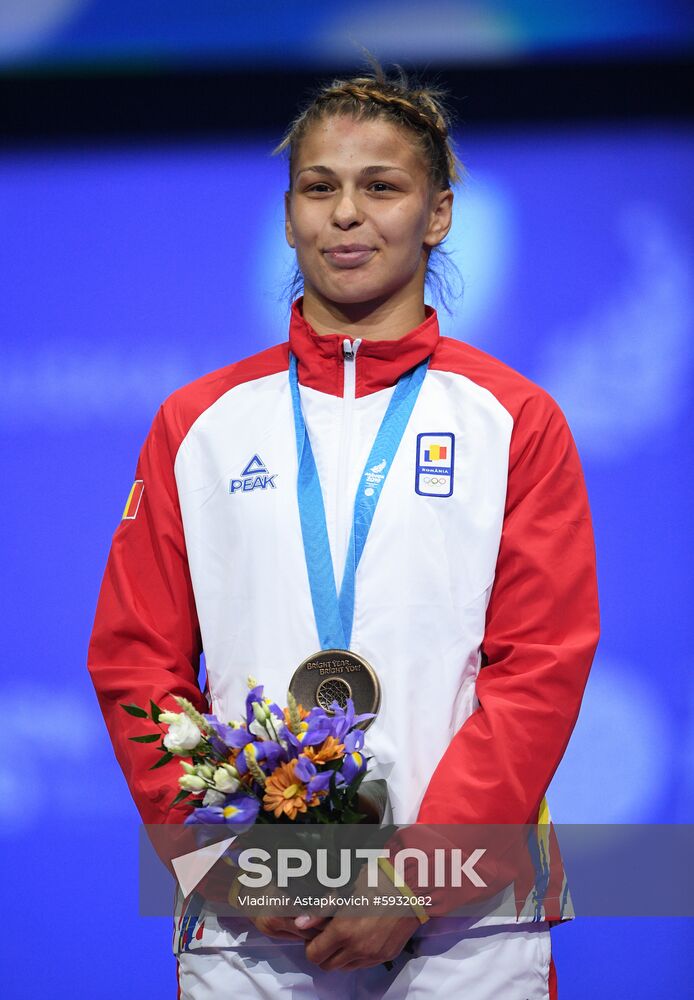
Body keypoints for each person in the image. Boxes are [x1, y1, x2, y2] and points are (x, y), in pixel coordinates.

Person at [88, 64, 599, 999]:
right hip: (253, 914)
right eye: (319, 187)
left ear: (438, 213)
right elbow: (134, 664)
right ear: (288, 216)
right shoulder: (197, 424)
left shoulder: (513, 419)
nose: (347, 214)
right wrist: (224, 861)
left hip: (465, 922)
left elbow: (542, 667)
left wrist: (418, 876)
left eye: (383, 186)